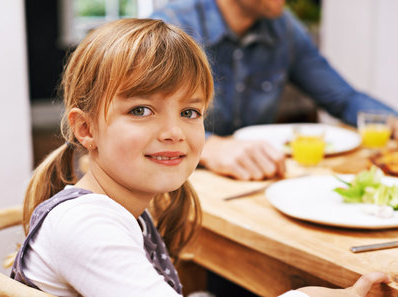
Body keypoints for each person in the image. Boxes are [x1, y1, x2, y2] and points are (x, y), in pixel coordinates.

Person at [10, 18, 390, 297]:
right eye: (141, 110)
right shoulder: (87, 225)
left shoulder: (116, 210)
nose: (174, 131)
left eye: (190, 113)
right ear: (86, 129)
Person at [151, 0, 398, 181]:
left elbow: (343, 98)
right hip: (181, 184)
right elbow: (133, 120)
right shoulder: (170, 27)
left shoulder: (284, 28)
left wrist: (394, 122)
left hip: (258, 180)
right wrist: (208, 146)